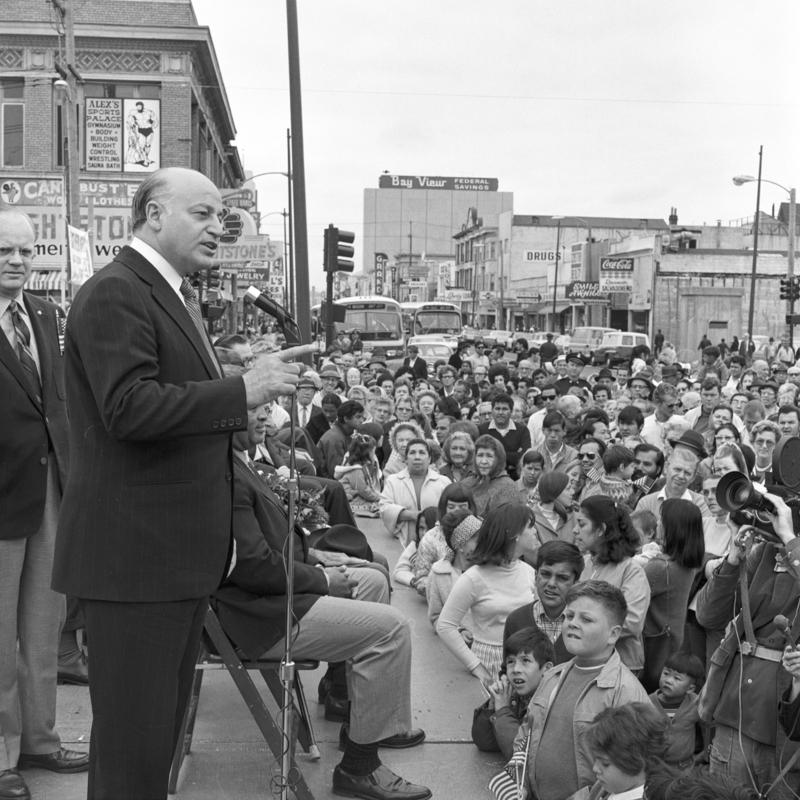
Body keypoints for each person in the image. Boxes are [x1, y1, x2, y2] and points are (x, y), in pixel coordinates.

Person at [52, 168, 314, 800]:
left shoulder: (166, 292)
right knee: (132, 756)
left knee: (153, 748)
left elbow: (167, 393)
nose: (217, 227)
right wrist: (239, 391)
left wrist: (237, 388)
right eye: (201, 213)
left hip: (171, 563)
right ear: (152, 214)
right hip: (137, 563)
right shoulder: (117, 291)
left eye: (221, 216)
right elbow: (130, 409)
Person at [214, 403, 431, 800]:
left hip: (273, 600)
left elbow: (270, 545)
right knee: (393, 629)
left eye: (264, 409)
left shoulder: (239, 462)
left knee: (371, 579)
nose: (264, 418)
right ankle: (359, 767)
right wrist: (324, 579)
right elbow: (253, 566)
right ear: (223, 415)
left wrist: (319, 557)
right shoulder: (224, 475)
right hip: (260, 617)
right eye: (250, 409)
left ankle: (344, 702)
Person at [0, 210, 88, 800]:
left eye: (26, 252)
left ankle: (40, 739)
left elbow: (56, 402)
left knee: (41, 626)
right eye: (5, 251)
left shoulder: (46, 314)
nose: (16, 262)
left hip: (49, 491)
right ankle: (3, 757)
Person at [695, 492, 800, 797]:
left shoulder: (790, 547)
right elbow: (708, 615)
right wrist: (733, 559)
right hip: (734, 713)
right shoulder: (764, 553)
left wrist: (791, 541)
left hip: (785, 728)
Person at [514, 581, 652, 800]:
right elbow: (527, 729)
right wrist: (519, 777)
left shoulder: (625, 692)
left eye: (586, 619)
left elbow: (630, 769)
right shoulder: (552, 676)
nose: (573, 624)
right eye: (569, 616)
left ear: (613, 634)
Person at [436, 503, 538, 683]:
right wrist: (475, 666)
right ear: (514, 534)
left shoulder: (529, 572)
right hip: (490, 661)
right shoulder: (474, 577)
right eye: (530, 527)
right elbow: (445, 625)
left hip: (525, 661)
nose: (535, 531)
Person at [574, 497, 651, 671]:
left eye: (581, 524)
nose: (574, 530)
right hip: (585, 660)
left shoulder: (631, 570)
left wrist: (585, 628)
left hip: (619, 666)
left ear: (601, 529)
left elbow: (632, 621)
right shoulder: (586, 563)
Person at [641, 499, 705, 692]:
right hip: (673, 642)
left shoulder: (661, 568)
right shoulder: (687, 564)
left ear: (673, 527)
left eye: (662, 521)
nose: (658, 524)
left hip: (652, 647)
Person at [472, 628, 555, 758]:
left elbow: (518, 755)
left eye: (525, 661)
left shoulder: (549, 703)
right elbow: (485, 743)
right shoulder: (512, 695)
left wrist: (503, 711)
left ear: (547, 669)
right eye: (511, 662)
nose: (516, 669)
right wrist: (492, 706)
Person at [504, 540, 584, 664]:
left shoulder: (584, 625)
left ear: (575, 583)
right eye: (546, 574)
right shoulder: (516, 620)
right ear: (536, 576)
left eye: (562, 578)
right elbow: (508, 668)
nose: (551, 584)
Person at [575, 703, 673, 800]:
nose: (595, 768)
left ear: (636, 761)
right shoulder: (604, 787)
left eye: (605, 763)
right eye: (596, 758)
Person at [379, 439, 451, 547]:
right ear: (406, 459)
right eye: (412, 453)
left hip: (437, 543)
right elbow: (384, 508)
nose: (417, 457)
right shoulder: (393, 481)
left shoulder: (443, 482)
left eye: (422, 453)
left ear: (429, 459)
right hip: (401, 543)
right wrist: (412, 515)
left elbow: (450, 510)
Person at [649, 652, 704, 771]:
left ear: (690, 689)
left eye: (677, 678)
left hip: (684, 768)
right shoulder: (647, 703)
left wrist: (703, 754)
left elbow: (707, 726)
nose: (668, 680)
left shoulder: (695, 704)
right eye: (666, 673)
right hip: (654, 768)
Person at [477, 392, 531, 481]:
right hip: (488, 479)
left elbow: (524, 458)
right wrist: (513, 456)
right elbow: (478, 457)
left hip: (516, 479)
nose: (500, 412)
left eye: (504, 409)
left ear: (511, 411)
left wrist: (494, 454)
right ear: (492, 411)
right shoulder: (481, 430)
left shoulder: (522, 430)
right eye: (497, 409)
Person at [461, 434, 519, 515]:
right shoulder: (466, 483)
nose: (484, 461)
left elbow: (503, 522)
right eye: (480, 455)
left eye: (489, 456)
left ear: (499, 459)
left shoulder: (508, 486)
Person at [334, 432, 382, 518]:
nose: (374, 455)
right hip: (351, 500)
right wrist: (378, 497)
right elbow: (363, 490)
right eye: (373, 452)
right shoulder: (356, 471)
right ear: (366, 454)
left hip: (356, 496)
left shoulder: (361, 467)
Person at [318, 399, 365, 478]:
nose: (361, 420)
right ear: (346, 418)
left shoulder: (346, 434)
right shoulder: (335, 438)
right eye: (358, 417)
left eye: (362, 417)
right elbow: (336, 472)